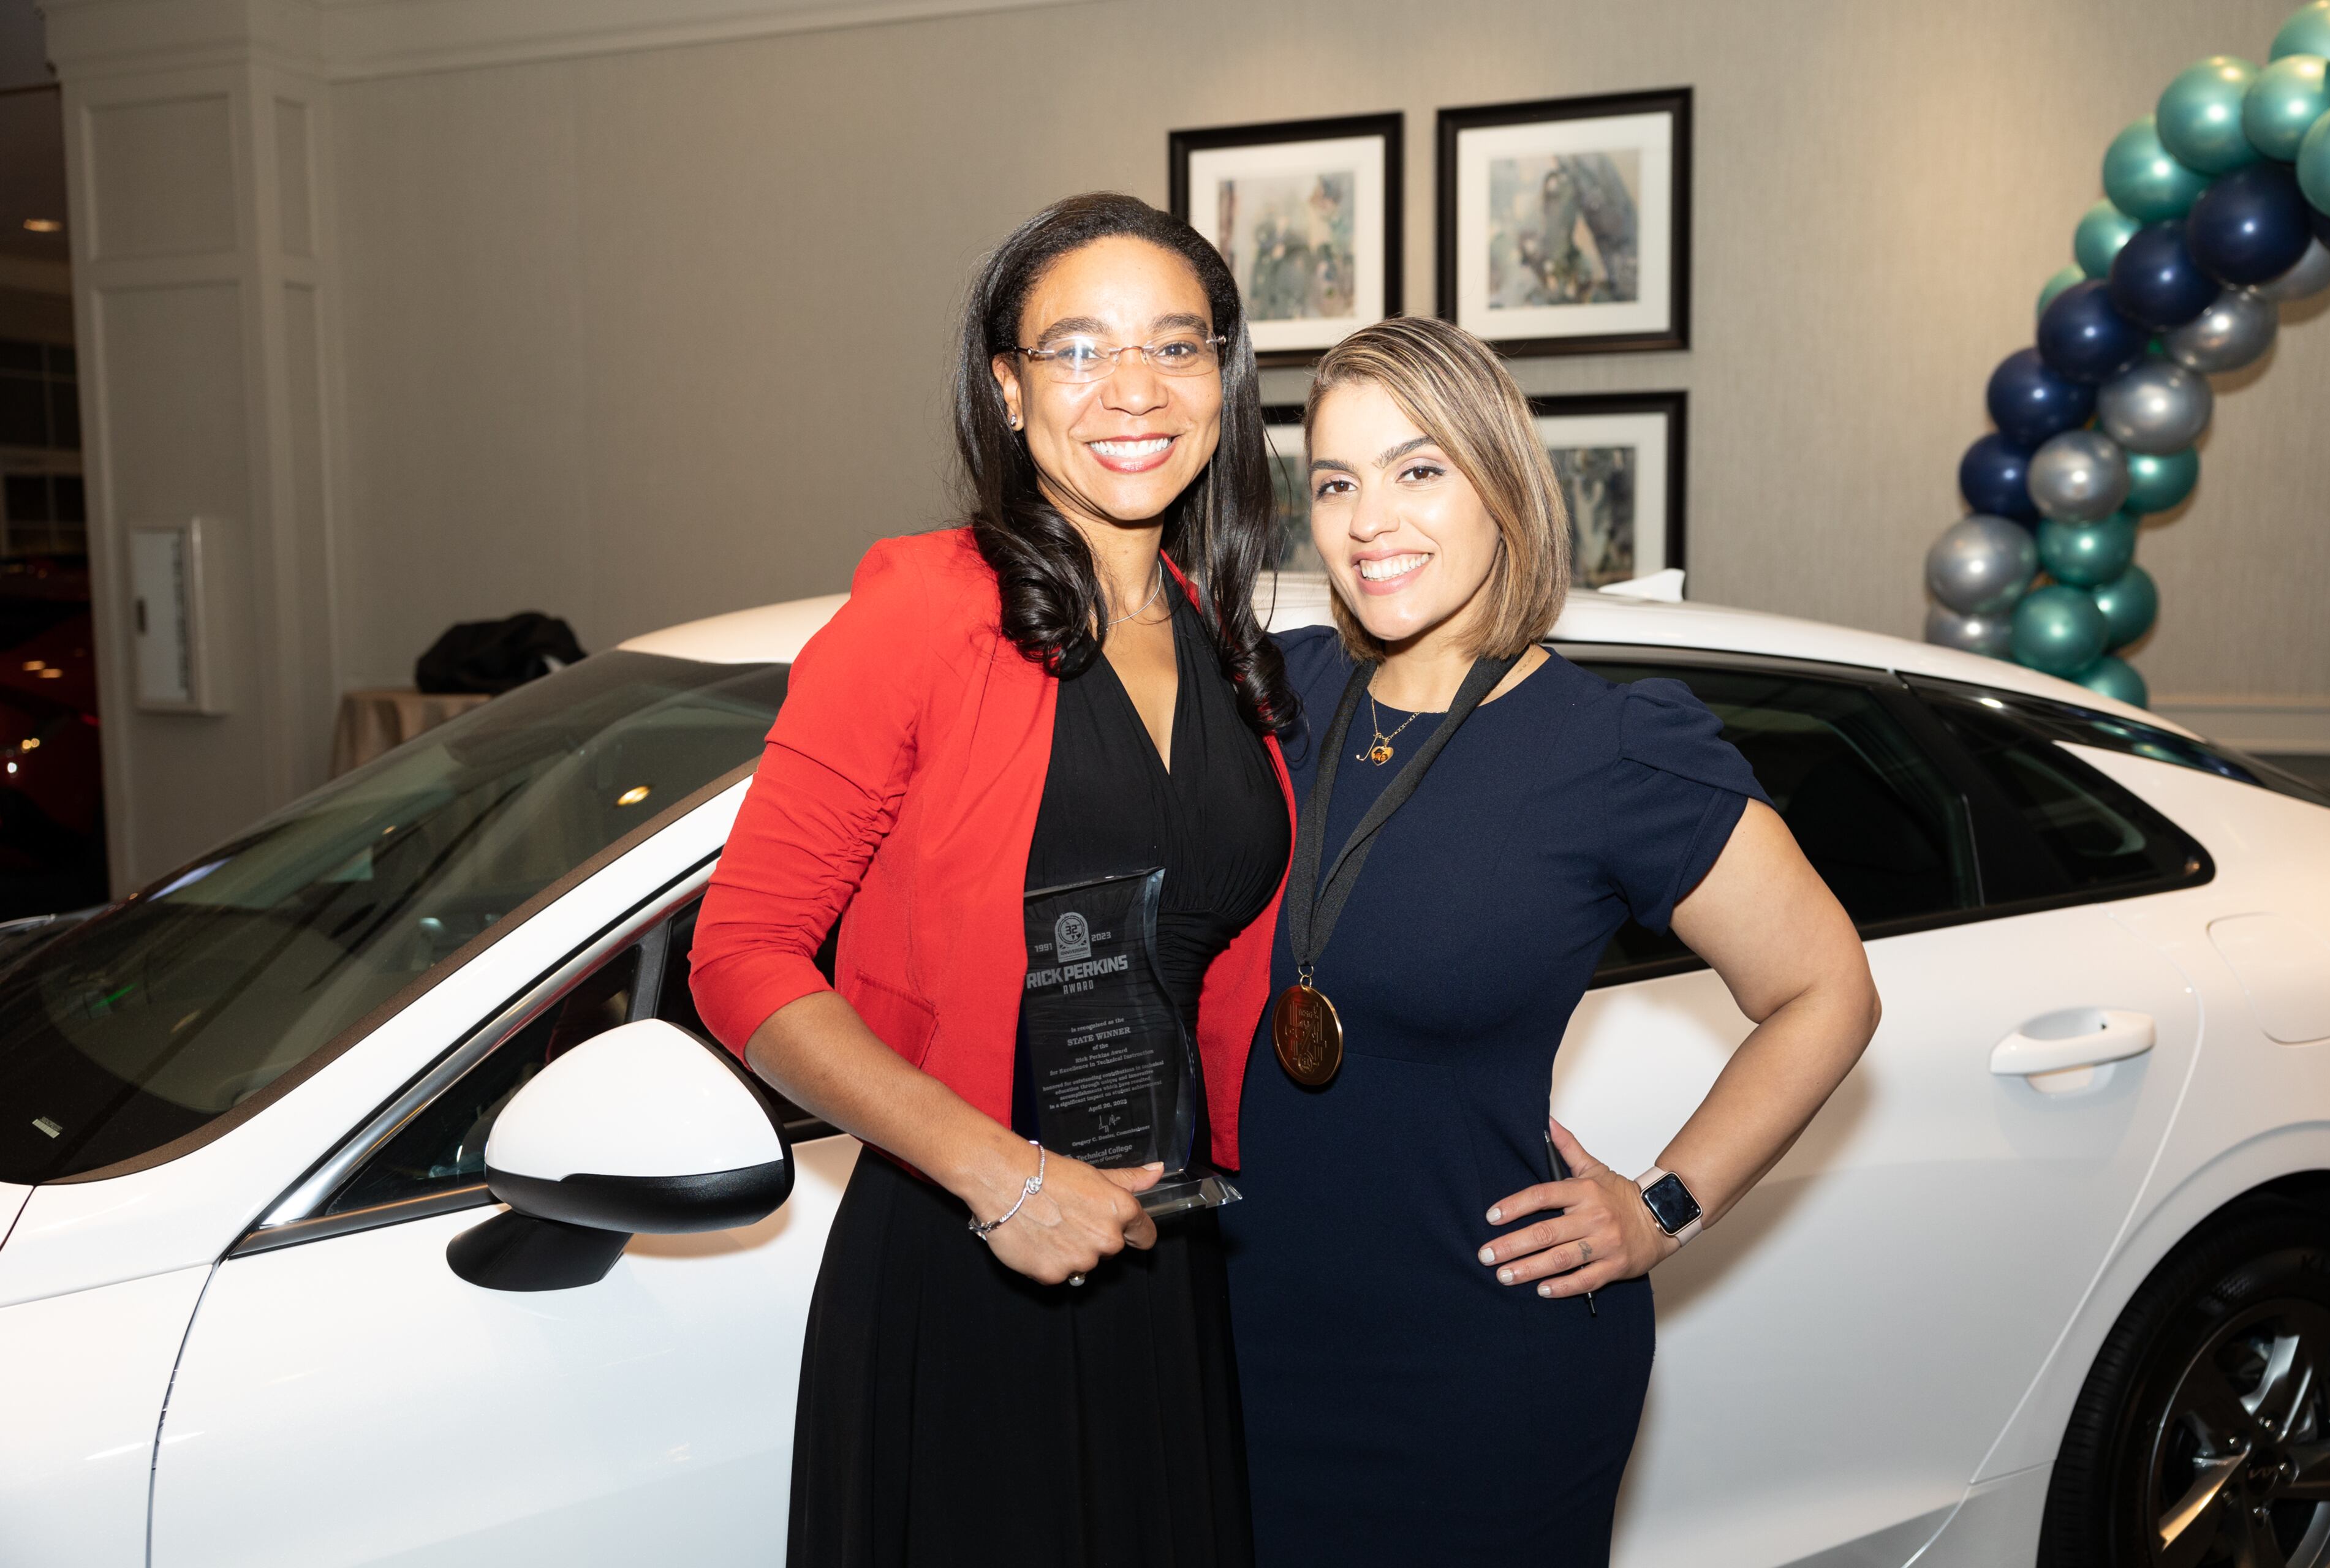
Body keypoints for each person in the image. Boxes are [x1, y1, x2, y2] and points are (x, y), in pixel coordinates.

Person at [688, 193, 1294, 1568]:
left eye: (1177, 346)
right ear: (1009, 391)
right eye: (1079, 350)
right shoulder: (923, 611)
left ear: (1224, 379)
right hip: (972, 1250)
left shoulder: (1216, 633)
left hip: (1166, 1249)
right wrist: (1006, 1180)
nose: (1134, 388)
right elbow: (743, 953)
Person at [1222, 316, 1880, 1566]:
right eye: (1336, 483)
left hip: (1478, 1372)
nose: (1369, 522)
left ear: (1503, 487)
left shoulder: (1613, 748)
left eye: (1419, 470)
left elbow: (1826, 988)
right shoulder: (1280, 695)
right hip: (1240, 1347)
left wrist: (1664, 1207)